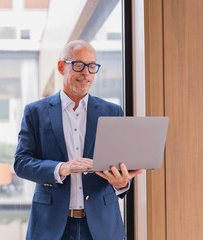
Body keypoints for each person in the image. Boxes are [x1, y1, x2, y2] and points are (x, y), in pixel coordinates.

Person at [14, 40, 143, 240]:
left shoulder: (112, 112)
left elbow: (118, 164)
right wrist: (61, 168)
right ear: (61, 67)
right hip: (51, 225)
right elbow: (22, 163)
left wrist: (121, 182)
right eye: (78, 65)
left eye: (92, 67)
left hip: (102, 225)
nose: (86, 73)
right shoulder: (35, 112)